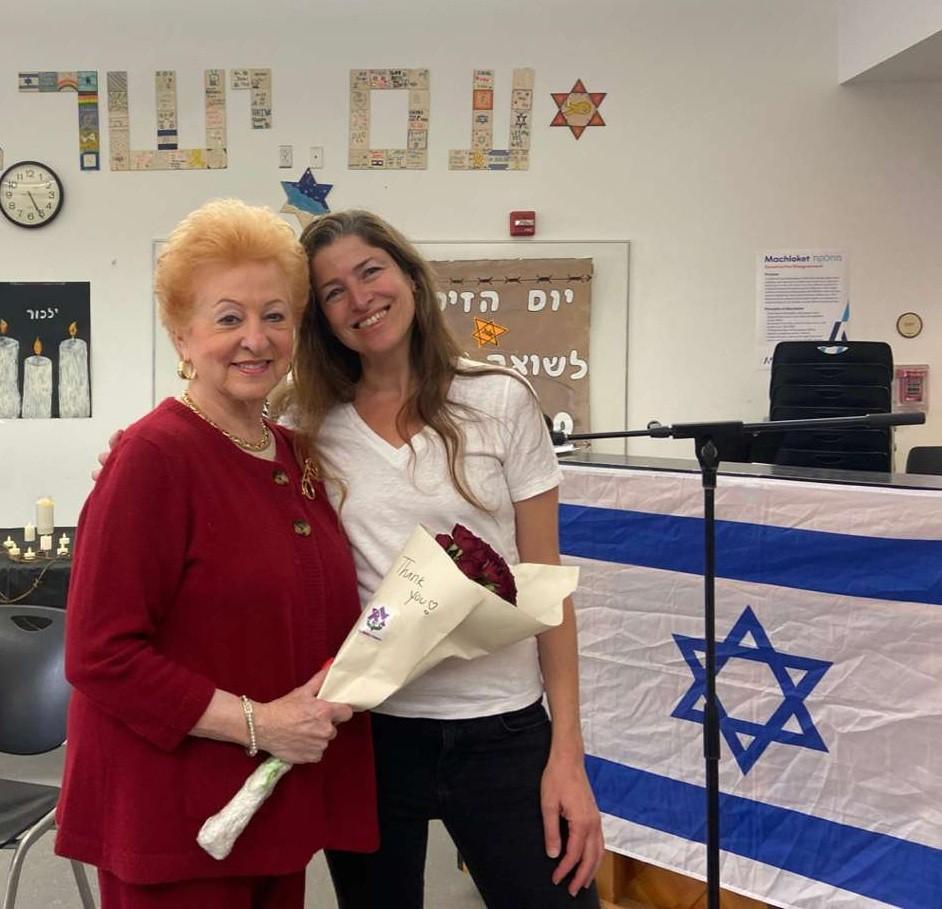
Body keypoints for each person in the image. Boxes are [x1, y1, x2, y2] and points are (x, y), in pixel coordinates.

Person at [55, 199, 377, 909]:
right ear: (182, 334)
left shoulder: (294, 455)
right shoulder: (153, 455)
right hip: (175, 818)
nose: (255, 339)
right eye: (228, 317)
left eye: (275, 315)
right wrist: (260, 724)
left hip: (267, 806)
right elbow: (100, 653)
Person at [288, 209, 605, 908]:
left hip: (503, 727)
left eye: (370, 271)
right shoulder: (305, 425)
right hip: (371, 734)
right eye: (333, 290)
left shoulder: (499, 399)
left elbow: (545, 588)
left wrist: (568, 757)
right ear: (321, 318)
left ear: (408, 274)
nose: (360, 296)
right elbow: (216, 453)